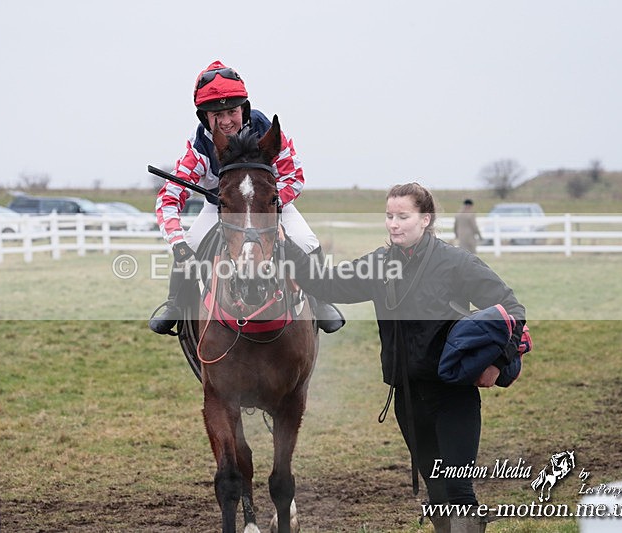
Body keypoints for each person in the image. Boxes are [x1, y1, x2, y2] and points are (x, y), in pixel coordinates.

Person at [278, 183, 526, 532]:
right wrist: (285, 245)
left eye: (403, 216)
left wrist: (498, 363)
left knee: (458, 489)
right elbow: (328, 284)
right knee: (437, 492)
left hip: (453, 397)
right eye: (389, 216)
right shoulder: (378, 264)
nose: (394, 224)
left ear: (425, 219)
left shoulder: (456, 263)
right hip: (408, 401)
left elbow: (511, 309)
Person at [149, 60, 344, 335]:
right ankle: (176, 304)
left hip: (268, 204)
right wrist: (178, 244)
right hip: (220, 207)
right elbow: (168, 198)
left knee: (307, 241)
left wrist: (269, 206)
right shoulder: (199, 149)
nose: (226, 121)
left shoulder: (268, 132)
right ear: (205, 117)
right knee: (191, 244)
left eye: (232, 111)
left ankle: (322, 300)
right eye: (217, 115)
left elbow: (294, 177)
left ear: (244, 109)